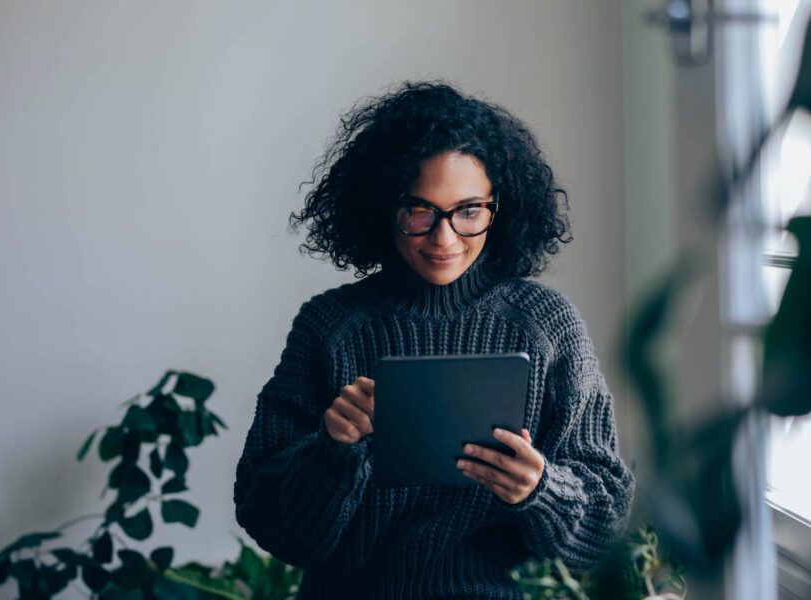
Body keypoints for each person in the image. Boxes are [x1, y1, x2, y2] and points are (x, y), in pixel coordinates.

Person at [233, 80, 634, 599]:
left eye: (468, 212)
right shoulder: (330, 326)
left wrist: (540, 492)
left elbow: (607, 523)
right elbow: (266, 516)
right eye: (420, 211)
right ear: (384, 207)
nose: (444, 239)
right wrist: (331, 451)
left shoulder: (547, 324)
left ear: (499, 208)